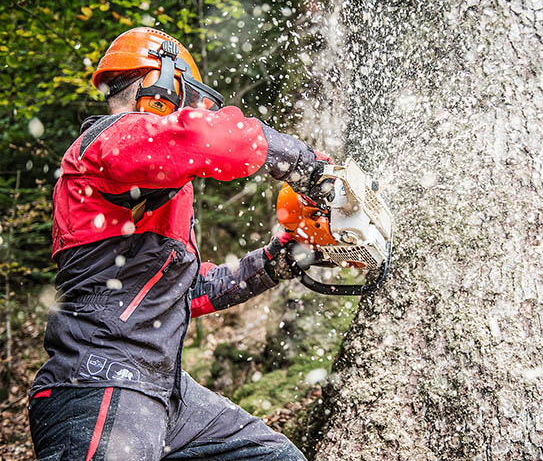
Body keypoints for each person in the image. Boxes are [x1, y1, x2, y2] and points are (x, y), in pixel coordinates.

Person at [28, 27, 331, 460]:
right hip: (101, 380)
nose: (185, 112)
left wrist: (280, 259)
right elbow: (206, 139)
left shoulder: (148, 185)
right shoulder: (110, 139)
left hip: (166, 393)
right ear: (160, 90)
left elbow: (187, 292)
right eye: (183, 100)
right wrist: (303, 163)